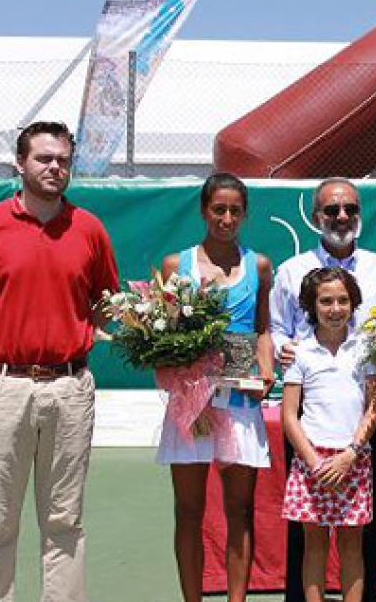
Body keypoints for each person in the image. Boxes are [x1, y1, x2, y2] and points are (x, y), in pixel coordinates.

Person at [0, 121, 119, 602]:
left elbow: (106, 303)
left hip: (70, 389)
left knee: (65, 520)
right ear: (20, 164)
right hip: (1, 391)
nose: (55, 167)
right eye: (43, 158)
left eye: (63, 159)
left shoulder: (90, 229)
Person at [270, 178, 376, 602]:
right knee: (309, 537)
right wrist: (283, 349)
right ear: (315, 216)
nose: (341, 217)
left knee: (359, 531)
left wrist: (353, 450)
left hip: (363, 409)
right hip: (309, 406)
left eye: (349, 209)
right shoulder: (291, 271)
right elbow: (275, 331)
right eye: (331, 210)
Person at [156, 173, 275, 602]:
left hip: (240, 402)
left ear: (245, 214)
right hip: (191, 406)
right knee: (189, 512)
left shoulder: (258, 265)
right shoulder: (176, 265)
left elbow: (262, 329)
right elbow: (164, 334)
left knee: (239, 512)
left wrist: (266, 371)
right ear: (204, 210)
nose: (227, 218)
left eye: (235, 210)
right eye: (218, 209)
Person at [281, 267, 376, 602]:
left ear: (353, 304)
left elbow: (374, 406)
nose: (335, 308)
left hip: (353, 460)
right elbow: (289, 415)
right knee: (314, 545)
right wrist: (314, 461)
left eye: (343, 300)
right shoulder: (300, 352)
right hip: (311, 464)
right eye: (326, 301)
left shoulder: (366, 348)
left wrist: (350, 454)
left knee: (353, 546)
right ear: (312, 306)